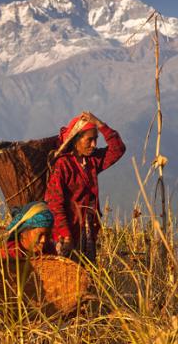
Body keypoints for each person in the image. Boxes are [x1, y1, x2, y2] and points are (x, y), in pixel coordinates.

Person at [44, 111, 125, 262]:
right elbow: (55, 203)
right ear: (76, 140)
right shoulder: (63, 165)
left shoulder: (92, 162)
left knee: (86, 278)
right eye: (89, 140)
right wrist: (66, 235)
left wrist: (100, 124)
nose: (94, 145)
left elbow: (118, 149)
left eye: (96, 139)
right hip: (66, 235)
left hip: (87, 232)